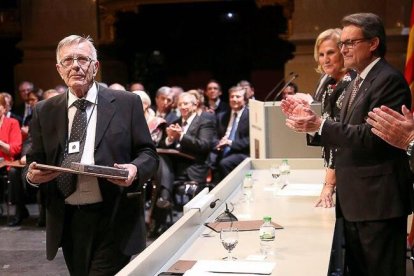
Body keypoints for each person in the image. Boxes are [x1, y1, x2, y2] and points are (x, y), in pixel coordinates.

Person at [281, 13, 412, 276]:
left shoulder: (388, 80)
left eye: (350, 43)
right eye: (342, 43)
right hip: (357, 200)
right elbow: (344, 131)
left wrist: (319, 125)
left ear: (373, 43)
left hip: (378, 201)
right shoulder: (356, 80)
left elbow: (373, 137)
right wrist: (309, 123)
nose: (344, 49)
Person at [24, 35, 158, 275]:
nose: (75, 65)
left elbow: (148, 153)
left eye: (83, 59)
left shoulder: (127, 103)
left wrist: (135, 169)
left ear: (95, 66)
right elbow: (33, 159)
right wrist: (33, 176)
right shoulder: (44, 110)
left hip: (114, 215)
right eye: (68, 60)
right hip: (68, 218)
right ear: (59, 69)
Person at [308, 28, 356, 208]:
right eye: (321, 54)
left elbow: (341, 138)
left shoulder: (352, 83)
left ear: (343, 52)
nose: (325, 59)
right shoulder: (326, 82)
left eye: (330, 53)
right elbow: (324, 126)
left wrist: (329, 185)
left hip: (350, 170)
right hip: (334, 167)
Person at [209, 86, 249, 183]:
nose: (234, 99)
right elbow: (214, 135)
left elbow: (249, 140)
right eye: (232, 97)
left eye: (238, 97)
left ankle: (232, 190)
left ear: (245, 100)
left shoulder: (249, 115)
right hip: (222, 149)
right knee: (208, 159)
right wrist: (218, 143)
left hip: (242, 152)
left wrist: (230, 143)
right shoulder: (222, 115)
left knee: (225, 163)